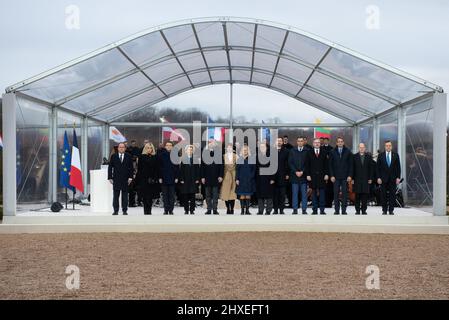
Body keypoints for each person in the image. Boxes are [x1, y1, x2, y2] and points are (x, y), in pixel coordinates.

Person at [329, 137, 353, 215]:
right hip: (335, 177)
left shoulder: (348, 151)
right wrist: (331, 175)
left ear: (343, 143)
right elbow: (330, 165)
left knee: (344, 194)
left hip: (345, 177)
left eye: (341, 141)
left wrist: (349, 175)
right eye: (338, 141)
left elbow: (350, 165)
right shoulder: (332, 151)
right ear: (336, 143)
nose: (340, 143)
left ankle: (343, 210)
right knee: (335, 194)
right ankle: (336, 210)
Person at [108, 142, 134, 215]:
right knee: (116, 196)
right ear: (118, 148)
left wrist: (130, 178)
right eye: (120, 147)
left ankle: (124, 210)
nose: (121, 148)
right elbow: (110, 167)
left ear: (125, 148)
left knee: (125, 196)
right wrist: (110, 177)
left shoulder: (128, 156)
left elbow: (131, 168)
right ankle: (115, 210)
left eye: (123, 147)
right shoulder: (114, 156)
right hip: (116, 179)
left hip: (126, 179)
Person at [377, 140, 401, 215]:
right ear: (385, 146)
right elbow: (377, 168)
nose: (388, 147)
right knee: (383, 195)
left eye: (389, 145)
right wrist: (378, 178)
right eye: (387, 145)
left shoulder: (396, 155)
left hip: (392, 179)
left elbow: (398, 167)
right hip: (383, 179)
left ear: (391, 146)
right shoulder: (380, 155)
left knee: (392, 195)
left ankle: (391, 210)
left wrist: (398, 177)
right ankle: (384, 210)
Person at [135, 143, 160, 215]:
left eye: (150, 148)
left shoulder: (155, 157)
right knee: (145, 197)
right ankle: (146, 211)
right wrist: (139, 179)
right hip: (143, 179)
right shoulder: (141, 157)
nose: (149, 149)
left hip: (152, 180)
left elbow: (156, 169)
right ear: (145, 149)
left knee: (150, 197)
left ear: (152, 149)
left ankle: (149, 211)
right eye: (148, 148)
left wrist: (155, 178)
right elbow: (139, 169)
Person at [306, 138, 329, 215]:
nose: (317, 144)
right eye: (315, 142)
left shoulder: (324, 152)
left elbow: (327, 165)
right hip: (312, 177)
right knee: (314, 194)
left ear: (320, 143)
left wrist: (326, 174)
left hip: (322, 177)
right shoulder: (309, 152)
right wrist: (308, 174)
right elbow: (307, 165)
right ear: (313, 143)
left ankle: (322, 210)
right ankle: (314, 210)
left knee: (322, 194)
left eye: (318, 142)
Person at [201, 141, 224, 215]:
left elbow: (221, 165)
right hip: (207, 177)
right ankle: (209, 209)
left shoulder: (219, 153)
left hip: (216, 177)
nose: (212, 145)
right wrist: (202, 177)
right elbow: (202, 166)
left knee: (215, 195)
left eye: (213, 144)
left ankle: (215, 209)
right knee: (207, 195)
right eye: (210, 144)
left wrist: (221, 175)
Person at [288, 137, 309, 214]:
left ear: (304, 142)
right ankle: (295, 209)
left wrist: (302, 171)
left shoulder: (307, 151)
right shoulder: (292, 151)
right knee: (295, 193)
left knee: (304, 194)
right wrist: (296, 171)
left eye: (301, 141)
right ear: (297, 142)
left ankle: (304, 209)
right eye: (299, 141)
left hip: (303, 176)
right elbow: (290, 162)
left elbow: (308, 163)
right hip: (294, 176)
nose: (300, 142)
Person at [158, 141, 179, 215]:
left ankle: (171, 210)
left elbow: (177, 167)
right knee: (165, 195)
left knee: (172, 195)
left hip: (173, 178)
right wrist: (160, 177)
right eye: (167, 145)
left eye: (170, 145)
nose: (169, 146)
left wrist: (176, 177)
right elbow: (159, 167)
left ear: (172, 147)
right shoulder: (161, 155)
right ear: (165, 146)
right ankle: (166, 209)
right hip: (163, 178)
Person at [352, 143, 374, 215]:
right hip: (357, 179)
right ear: (358, 148)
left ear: (365, 148)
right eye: (360, 147)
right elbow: (352, 169)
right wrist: (352, 178)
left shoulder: (368, 157)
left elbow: (371, 169)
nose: (361, 148)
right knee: (357, 195)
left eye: (363, 147)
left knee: (364, 196)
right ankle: (357, 210)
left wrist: (370, 178)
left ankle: (364, 210)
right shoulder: (354, 156)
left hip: (366, 179)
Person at [179, 145, 200, 215]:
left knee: (192, 196)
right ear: (186, 151)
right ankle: (186, 209)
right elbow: (181, 170)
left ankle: (192, 210)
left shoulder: (195, 159)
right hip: (185, 180)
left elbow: (197, 170)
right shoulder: (183, 159)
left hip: (193, 180)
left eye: (191, 150)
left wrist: (197, 178)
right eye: (189, 150)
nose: (190, 151)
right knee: (185, 196)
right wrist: (181, 179)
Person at [236, 145, 256, 215]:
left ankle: (247, 210)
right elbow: (237, 170)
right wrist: (237, 179)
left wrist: (251, 177)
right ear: (242, 151)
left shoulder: (251, 159)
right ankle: (242, 210)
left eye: (246, 150)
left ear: (248, 151)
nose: (245, 151)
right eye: (244, 150)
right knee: (242, 195)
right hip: (241, 179)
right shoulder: (239, 159)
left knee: (248, 195)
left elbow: (254, 170)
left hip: (249, 179)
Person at [256, 143, 275, 215]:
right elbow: (256, 168)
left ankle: (268, 210)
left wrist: (273, 178)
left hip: (268, 178)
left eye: (263, 147)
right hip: (259, 178)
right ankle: (260, 210)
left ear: (266, 148)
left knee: (269, 195)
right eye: (260, 147)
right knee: (260, 195)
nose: (262, 148)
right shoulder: (257, 156)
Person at [273, 137, 290, 214]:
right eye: (278, 141)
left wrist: (287, 174)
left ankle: (281, 210)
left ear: (282, 142)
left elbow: (288, 163)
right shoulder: (271, 151)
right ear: (275, 142)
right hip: (274, 176)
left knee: (282, 194)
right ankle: (275, 210)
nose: (279, 142)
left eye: (280, 141)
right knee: (275, 194)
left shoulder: (286, 151)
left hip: (283, 176)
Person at [220, 143, 237, 214]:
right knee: (225, 192)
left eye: (230, 147)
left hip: (233, 174)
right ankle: (227, 208)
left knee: (232, 193)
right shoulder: (223, 156)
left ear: (232, 149)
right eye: (228, 147)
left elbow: (238, 166)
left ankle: (232, 208)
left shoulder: (236, 156)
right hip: (226, 175)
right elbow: (222, 166)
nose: (229, 148)